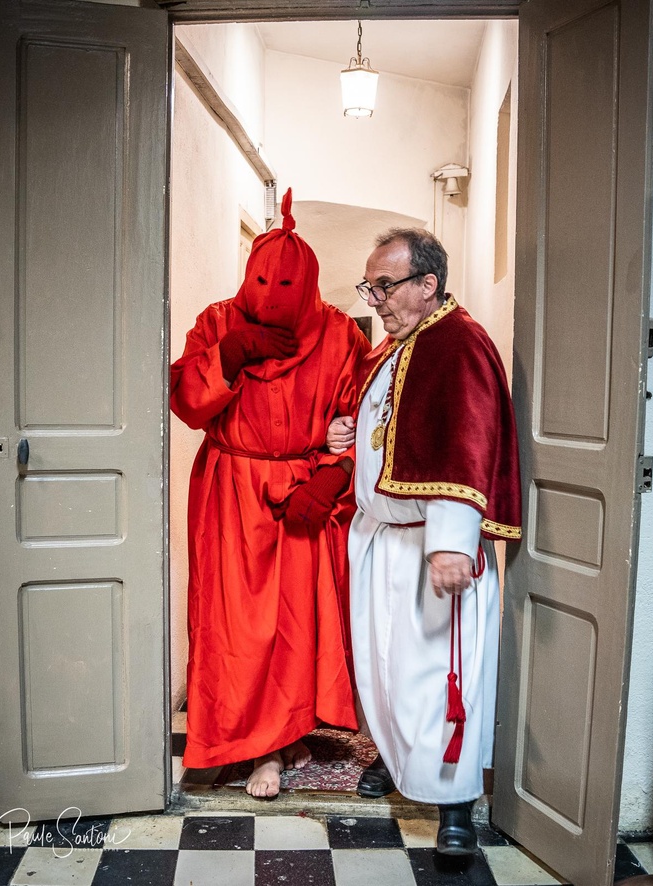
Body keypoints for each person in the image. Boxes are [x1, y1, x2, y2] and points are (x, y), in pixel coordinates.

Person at [327, 228, 521, 854]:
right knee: (385, 666)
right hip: (381, 539)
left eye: (383, 286)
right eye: (371, 286)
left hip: (431, 547)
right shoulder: (395, 349)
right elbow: (398, 432)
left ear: (426, 285)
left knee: (441, 676)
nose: (374, 299)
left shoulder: (457, 343)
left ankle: (454, 807)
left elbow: (467, 442)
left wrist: (451, 544)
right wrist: (347, 435)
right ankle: (396, 756)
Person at [171, 189, 370, 798]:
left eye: (284, 287)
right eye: (260, 284)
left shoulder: (340, 335)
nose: (269, 299)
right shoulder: (216, 323)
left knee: (293, 627)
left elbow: (370, 419)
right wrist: (229, 357)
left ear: (307, 286)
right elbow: (186, 402)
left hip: (303, 496)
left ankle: (279, 744)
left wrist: (336, 476)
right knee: (231, 626)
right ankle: (246, 741)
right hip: (231, 492)